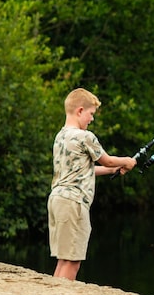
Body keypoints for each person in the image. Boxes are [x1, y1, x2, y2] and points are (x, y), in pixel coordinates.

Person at [48, 87, 137, 280]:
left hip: (57, 199)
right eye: (91, 114)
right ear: (80, 111)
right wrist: (127, 161)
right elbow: (108, 160)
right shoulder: (85, 137)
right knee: (73, 261)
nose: (92, 119)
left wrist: (112, 170)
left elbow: (86, 169)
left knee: (64, 260)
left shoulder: (60, 137)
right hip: (74, 202)